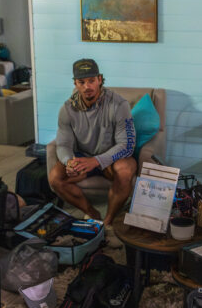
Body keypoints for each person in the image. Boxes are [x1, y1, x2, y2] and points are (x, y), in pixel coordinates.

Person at [48, 59, 137, 226]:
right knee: (55, 177)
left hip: (111, 158)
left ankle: (108, 222)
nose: (87, 86)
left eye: (91, 81)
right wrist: (69, 162)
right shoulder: (66, 109)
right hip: (83, 157)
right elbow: (63, 144)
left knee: (125, 171)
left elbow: (127, 145)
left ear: (100, 80)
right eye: (82, 82)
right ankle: (92, 213)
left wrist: (97, 161)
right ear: (75, 83)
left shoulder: (119, 104)